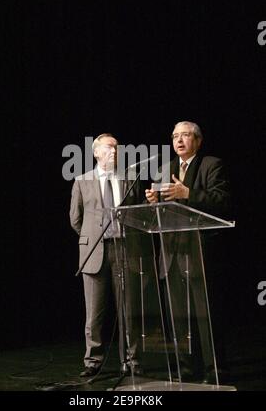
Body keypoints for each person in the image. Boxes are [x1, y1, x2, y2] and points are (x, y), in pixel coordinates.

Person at [145, 121, 232, 383]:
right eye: (174, 136)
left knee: (205, 318)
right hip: (172, 253)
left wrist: (188, 193)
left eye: (185, 135)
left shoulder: (211, 165)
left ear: (198, 140)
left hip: (200, 253)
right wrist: (154, 201)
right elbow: (161, 212)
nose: (179, 140)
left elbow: (223, 202)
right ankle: (186, 370)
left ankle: (214, 371)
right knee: (179, 318)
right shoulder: (164, 169)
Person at [70, 133, 145, 377]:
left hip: (125, 249)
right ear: (96, 152)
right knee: (94, 313)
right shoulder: (82, 180)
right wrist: (95, 237)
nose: (114, 151)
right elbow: (76, 219)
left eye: (116, 148)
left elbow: (138, 214)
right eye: (109, 148)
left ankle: (132, 360)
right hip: (95, 252)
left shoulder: (130, 178)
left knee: (129, 310)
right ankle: (92, 361)